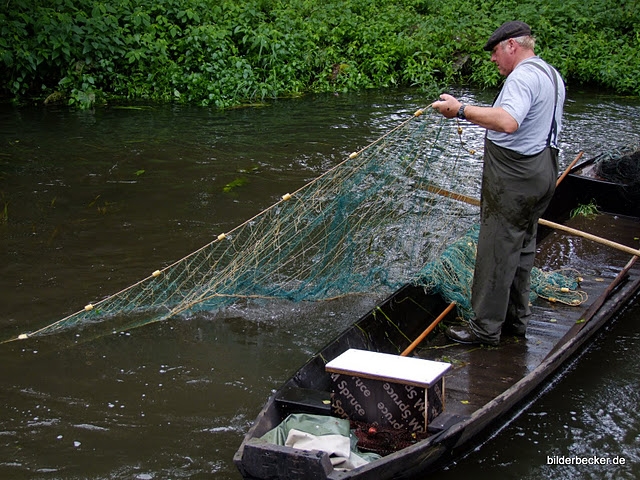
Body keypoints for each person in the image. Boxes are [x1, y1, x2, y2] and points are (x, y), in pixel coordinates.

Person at [431, 21, 566, 346]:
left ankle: (484, 329)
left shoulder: (522, 76)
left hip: (515, 177)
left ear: (511, 46)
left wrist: (460, 109)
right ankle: (515, 323)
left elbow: (507, 121)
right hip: (544, 172)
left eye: (494, 52)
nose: (493, 59)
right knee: (522, 248)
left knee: (496, 249)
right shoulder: (551, 74)